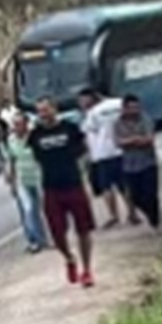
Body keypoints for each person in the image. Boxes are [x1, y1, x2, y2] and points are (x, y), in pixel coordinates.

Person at [28, 97, 96, 287]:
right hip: (51, 188)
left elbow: (83, 150)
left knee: (83, 229)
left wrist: (86, 172)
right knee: (57, 233)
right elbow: (36, 159)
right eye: (40, 111)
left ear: (54, 109)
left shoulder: (70, 128)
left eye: (46, 109)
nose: (44, 114)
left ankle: (87, 270)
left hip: (73, 184)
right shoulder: (36, 135)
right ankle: (69, 258)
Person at [78, 89, 133, 227]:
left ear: (91, 98)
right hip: (123, 150)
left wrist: (87, 156)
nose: (81, 104)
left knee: (106, 187)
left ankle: (114, 215)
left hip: (102, 154)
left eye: (82, 100)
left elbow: (88, 132)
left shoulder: (93, 113)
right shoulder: (119, 103)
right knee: (125, 185)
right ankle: (132, 213)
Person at [112, 94, 161, 229]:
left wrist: (131, 141)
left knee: (150, 193)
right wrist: (136, 140)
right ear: (124, 108)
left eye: (137, 107)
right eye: (131, 108)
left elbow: (149, 139)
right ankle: (149, 214)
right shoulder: (118, 123)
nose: (135, 110)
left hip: (148, 162)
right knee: (135, 197)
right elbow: (118, 142)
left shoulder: (145, 119)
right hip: (130, 166)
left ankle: (155, 220)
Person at [5, 111, 48, 253]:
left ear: (26, 124)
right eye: (15, 124)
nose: (17, 127)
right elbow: (11, 160)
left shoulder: (35, 137)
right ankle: (34, 240)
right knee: (28, 211)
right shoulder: (11, 140)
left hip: (38, 177)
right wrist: (11, 180)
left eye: (20, 124)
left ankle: (47, 237)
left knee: (44, 209)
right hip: (23, 179)